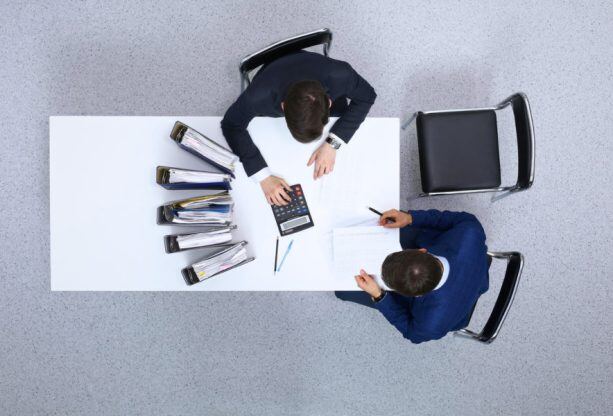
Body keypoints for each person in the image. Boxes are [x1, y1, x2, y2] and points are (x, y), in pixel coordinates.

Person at [221, 51, 377, 206]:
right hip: (273, 75)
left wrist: (332, 143)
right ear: (283, 107)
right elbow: (231, 124)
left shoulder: (341, 75)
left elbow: (367, 96)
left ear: (329, 103)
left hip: (320, 76)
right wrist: (263, 177)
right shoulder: (259, 96)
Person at [336, 209, 490, 344]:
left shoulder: (431, 324)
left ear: (418, 295)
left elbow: (412, 333)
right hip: (472, 271)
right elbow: (457, 219)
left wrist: (378, 295)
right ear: (422, 251)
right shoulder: (470, 230)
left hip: (453, 306)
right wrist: (410, 218)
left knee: (341, 290)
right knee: (386, 220)